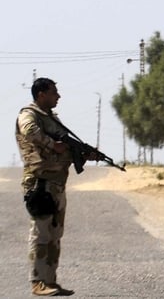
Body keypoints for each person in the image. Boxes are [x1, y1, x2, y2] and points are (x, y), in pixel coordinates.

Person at [16, 78, 92, 296]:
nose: (58, 96)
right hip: (40, 182)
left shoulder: (52, 119)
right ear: (41, 94)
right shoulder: (28, 115)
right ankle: (37, 282)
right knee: (40, 233)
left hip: (57, 183)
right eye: (53, 92)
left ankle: (50, 281)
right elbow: (30, 132)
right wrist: (52, 145)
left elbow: (62, 149)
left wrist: (82, 155)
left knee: (54, 234)